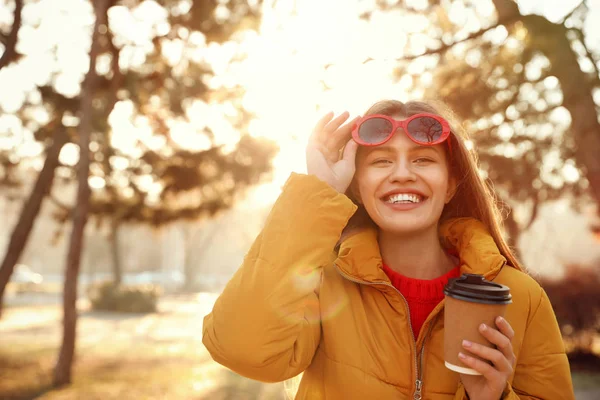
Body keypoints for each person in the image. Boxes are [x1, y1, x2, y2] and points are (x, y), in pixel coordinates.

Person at [202, 100, 575, 399]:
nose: (401, 174)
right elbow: (241, 350)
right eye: (381, 162)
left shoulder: (520, 297)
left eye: (423, 160)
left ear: (450, 185)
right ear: (358, 186)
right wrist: (317, 192)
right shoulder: (322, 284)